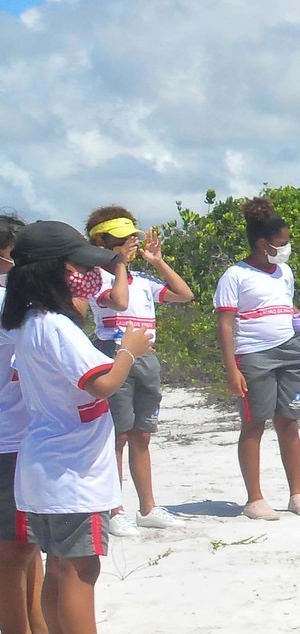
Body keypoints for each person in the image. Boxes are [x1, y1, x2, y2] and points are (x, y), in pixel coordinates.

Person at [1, 221, 161, 634]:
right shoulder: (52, 325)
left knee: (59, 572)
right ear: (55, 272)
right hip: (70, 471)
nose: (89, 276)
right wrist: (130, 351)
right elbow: (100, 385)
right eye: (80, 267)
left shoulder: (29, 323)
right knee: (80, 572)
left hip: (47, 465)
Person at [86, 210, 195, 535]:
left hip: (147, 360)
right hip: (114, 355)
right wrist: (117, 263)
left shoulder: (144, 282)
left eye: (131, 240)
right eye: (122, 241)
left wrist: (157, 261)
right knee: (117, 437)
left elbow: (184, 294)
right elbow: (118, 302)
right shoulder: (96, 280)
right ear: (102, 242)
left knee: (142, 435)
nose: (130, 245)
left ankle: (147, 507)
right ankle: (114, 508)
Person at [215, 196, 300, 521]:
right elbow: (226, 324)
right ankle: (255, 498)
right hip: (254, 355)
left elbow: (285, 304)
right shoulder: (235, 276)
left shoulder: (284, 271)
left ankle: (296, 493)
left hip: (291, 349)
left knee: (289, 420)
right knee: (255, 422)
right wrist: (232, 369)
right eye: (280, 243)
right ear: (262, 243)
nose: (285, 248)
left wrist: (299, 316)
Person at [0, 215, 58, 634]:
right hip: (10, 439)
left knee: (29, 543)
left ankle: (39, 628)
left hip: (17, 437)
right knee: (14, 551)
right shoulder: (10, 308)